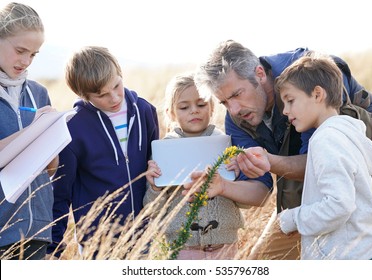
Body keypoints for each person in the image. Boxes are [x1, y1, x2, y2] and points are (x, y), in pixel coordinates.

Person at [193, 40, 372, 259]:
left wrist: (269, 162)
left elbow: (317, 163)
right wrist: (222, 186)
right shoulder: (237, 118)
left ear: (259, 73)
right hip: (319, 200)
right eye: (224, 103)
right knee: (262, 261)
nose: (234, 109)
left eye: (237, 94)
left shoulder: (311, 76)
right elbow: (260, 190)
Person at [46, 46, 159, 259]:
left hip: (145, 234)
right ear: (83, 95)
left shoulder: (145, 111)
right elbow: (61, 193)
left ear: (120, 73)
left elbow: (157, 166)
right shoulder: (73, 128)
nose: (115, 98)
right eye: (102, 95)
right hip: (98, 242)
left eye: (117, 86)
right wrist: (53, 250)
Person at [275, 53, 372, 259]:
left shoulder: (326, 139)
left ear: (318, 94)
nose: (285, 111)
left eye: (290, 101)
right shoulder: (347, 134)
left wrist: (292, 218)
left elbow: (339, 204)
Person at [143, 73, 257, 260]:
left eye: (201, 104)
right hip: (183, 248)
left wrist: (237, 175)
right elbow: (152, 211)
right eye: (184, 107)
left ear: (212, 108)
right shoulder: (163, 151)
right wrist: (155, 187)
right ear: (171, 113)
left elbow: (245, 203)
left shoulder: (227, 146)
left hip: (225, 245)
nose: (194, 110)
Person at [0, 2, 58, 260]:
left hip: (37, 231)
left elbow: (50, 170)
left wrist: (53, 139)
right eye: (20, 51)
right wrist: (32, 132)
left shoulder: (38, 93)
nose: (26, 61)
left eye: (33, 54)